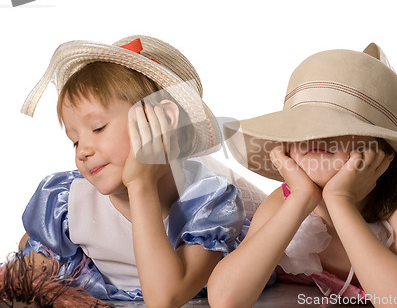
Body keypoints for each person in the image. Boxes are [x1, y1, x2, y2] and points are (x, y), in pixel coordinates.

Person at [208, 46, 397, 308]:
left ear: (381, 149)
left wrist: (340, 201)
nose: (313, 135)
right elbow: (225, 299)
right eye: (298, 128)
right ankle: (395, 105)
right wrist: (300, 198)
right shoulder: (282, 203)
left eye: (334, 127)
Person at [6, 35, 255, 307]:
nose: (82, 151)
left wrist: (141, 185)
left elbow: (164, 298)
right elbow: (33, 264)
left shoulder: (208, 203)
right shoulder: (71, 200)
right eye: (75, 140)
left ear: (163, 121)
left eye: (99, 128)